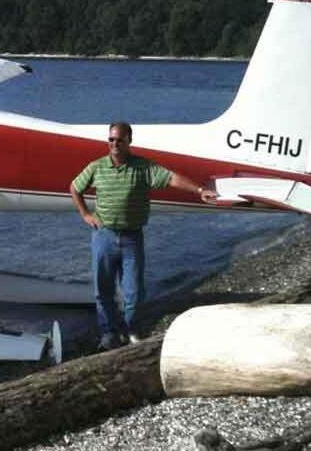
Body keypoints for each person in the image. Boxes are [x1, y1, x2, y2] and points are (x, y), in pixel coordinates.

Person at [70, 122, 218, 350]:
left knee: (135, 291)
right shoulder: (96, 167)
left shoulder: (143, 167)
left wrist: (199, 190)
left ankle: (130, 330)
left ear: (129, 141)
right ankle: (109, 332)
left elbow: (171, 178)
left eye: (119, 140)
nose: (114, 144)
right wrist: (86, 214)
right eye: (111, 140)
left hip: (131, 239)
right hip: (104, 236)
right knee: (103, 290)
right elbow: (75, 188)